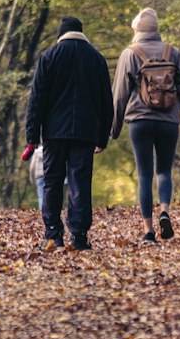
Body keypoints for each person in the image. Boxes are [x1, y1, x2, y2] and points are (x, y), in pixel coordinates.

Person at [24, 15, 114, 251]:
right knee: (80, 182)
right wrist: (103, 136)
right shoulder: (96, 59)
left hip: (54, 132)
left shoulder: (49, 57)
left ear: (60, 34)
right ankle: (79, 235)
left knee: (52, 182)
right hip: (85, 133)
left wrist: (32, 135)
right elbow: (107, 102)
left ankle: (54, 234)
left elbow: (37, 99)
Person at [111, 7, 180, 243]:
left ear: (137, 30)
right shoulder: (172, 52)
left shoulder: (130, 53)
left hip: (139, 121)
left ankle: (149, 231)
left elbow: (118, 96)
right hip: (169, 121)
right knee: (164, 170)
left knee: (145, 174)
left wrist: (113, 130)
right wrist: (176, 108)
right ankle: (165, 212)